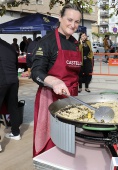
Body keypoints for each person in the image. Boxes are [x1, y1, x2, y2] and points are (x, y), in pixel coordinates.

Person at [31, 3, 82, 157]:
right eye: (69, 20)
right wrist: (54, 82)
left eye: (77, 22)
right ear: (60, 18)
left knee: (67, 141)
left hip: (71, 98)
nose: (73, 25)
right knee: (50, 143)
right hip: (50, 99)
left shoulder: (74, 43)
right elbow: (36, 72)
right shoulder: (47, 42)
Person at [0, 38, 21, 141]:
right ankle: (16, 133)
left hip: (2, 81)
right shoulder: (10, 47)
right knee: (13, 107)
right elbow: (15, 65)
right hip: (14, 80)